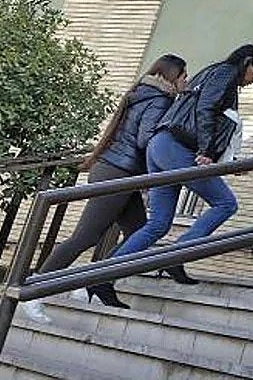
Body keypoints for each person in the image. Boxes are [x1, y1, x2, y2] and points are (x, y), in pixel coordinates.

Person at [95, 44, 253, 305]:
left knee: (159, 224)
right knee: (225, 203)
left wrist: (228, 160)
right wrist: (206, 151)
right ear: (246, 62)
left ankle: (100, 279)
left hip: (161, 147)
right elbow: (206, 110)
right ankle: (177, 255)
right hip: (177, 148)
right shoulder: (225, 74)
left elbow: (210, 116)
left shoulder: (211, 73)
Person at [21, 54, 188, 323]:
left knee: (137, 233)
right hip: (117, 174)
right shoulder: (160, 100)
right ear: (172, 77)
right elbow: (147, 140)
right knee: (85, 236)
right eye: (183, 76)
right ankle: (33, 291)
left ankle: (94, 285)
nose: (186, 81)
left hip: (116, 171)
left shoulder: (141, 93)